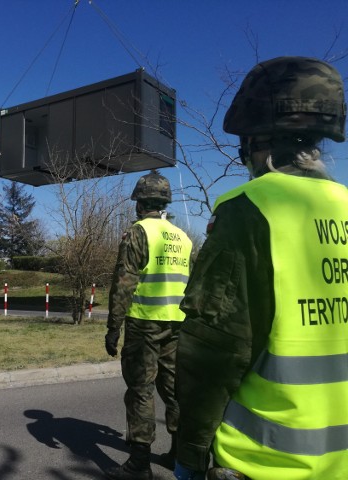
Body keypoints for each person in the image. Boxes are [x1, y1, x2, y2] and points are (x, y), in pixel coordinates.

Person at [173, 56, 348, 480]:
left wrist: (190, 452)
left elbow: (214, 352)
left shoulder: (248, 211)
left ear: (257, 144)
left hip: (263, 461)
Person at [104, 170, 193, 480]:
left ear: (139, 204)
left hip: (145, 324)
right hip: (177, 325)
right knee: (174, 390)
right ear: (164, 203)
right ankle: (179, 453)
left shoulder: (138, 232)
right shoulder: (181, 236)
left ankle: (139, 464)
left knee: (141, 390)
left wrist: (113, 326)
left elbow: (124, 282)